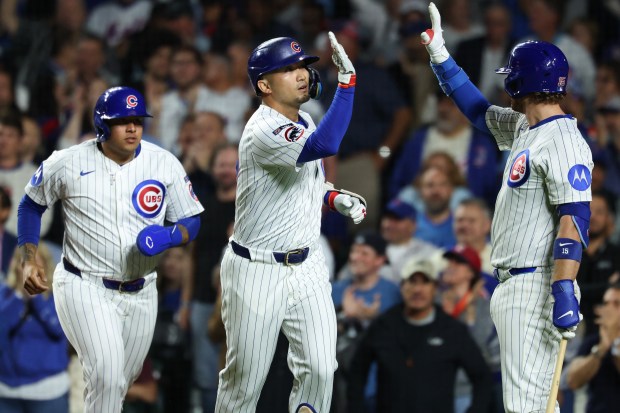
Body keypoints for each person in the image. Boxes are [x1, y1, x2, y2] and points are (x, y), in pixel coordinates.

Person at [420, 3, 593, 412]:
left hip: (538, 287)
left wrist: (563, 287)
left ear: (522, 81)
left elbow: (574, 218)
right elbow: (478, 112)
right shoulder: (525, 127)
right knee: (536, 407)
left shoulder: (565, 141)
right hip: (516, 285)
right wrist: (442, 59)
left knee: (527, 408)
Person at [16, 86, 204, 413]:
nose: (133, 128)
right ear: (103, 125)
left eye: (137, 120)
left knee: (119, 382)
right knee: (106, 372)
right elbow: (30, 206)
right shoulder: (67, 161)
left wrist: (170, 237)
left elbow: (191, 219)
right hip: (84, 284)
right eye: (123, 121)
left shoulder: (163, 163)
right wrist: (29, 259)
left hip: (142, 290)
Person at [215, 33, 363, 413]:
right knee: (244, 383)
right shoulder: (263, 130)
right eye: (288, 69)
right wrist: (346, 88)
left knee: (320, 369)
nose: (301, 74)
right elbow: (324, 147)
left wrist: (332, 197)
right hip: (256, 270)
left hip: (307, 266)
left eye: (303, 66)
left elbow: (304, 180)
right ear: (264, 85)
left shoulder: (306, 119)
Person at [346, 258, 492, 412]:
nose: (417, 289)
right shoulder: (384, 326)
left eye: (425, 282)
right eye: (412, 281)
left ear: (435, 288)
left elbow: (482, 377)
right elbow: (357, 371)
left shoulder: (451, 330)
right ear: (402, 286)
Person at [0, 242, 69, 413]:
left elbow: (59, 330)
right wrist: (18, 296)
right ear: (16, 267)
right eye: (24, 264)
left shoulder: (59, 297)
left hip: (47, 392)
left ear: (46, 265)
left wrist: (36, 297)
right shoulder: (5, 295)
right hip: (7, 391)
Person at [566, 282, 620, 413]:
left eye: (616, 304)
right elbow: (573, 381)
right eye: (606, 303)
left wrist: (615, 342)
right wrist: (602, 348)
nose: (608, 309)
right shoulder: (593, 341)